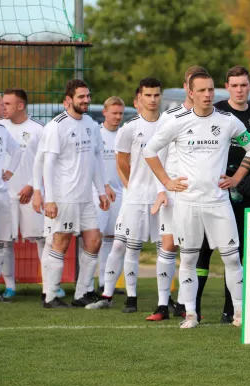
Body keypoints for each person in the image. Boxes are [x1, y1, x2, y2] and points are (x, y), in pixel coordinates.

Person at [143, 71, 250, 329]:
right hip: (187, 204)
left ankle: (239, 313)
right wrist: (167, 182)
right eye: (202, 90)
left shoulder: (228, 121)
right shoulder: (177, 122)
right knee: (188, 259)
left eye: (211, 90)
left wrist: (238, 176)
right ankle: (191, 314)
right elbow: (150, 150)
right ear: (191, 93)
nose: (208, 95)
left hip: (218, 203)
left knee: (232, 258)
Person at [195, 65, 250, 324]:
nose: (240, 89)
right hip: (212, 191)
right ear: (226, 88)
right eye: (235, 85)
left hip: (241, 194)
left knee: (236, 252)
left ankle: (231, 311)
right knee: (203, 250)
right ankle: (192, 309)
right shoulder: (215, 112)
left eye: (244, 84)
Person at [87, 78, 165, 312]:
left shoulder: (169, 125)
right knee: (124, 245)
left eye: (156, 95)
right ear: (139, 98)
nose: (152, 100)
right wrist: (134, 187)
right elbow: (122, 163)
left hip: (163, 196)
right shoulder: (130, 128)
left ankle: (165, 301)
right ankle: (116, 296)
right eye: (148, 95)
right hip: (135, 198)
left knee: (166, 248)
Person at [146, 65, 209, 322]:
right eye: (194, 86)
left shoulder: (211, 117)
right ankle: (162, 304)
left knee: (191, 248)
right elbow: (156, 154)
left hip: (200, 194)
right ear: (187, 87)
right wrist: (162, 188)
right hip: (174, 191)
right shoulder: (171, 117)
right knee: (169, 244)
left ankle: (185, 304)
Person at [40, 79, 110, 308]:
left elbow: (96, 160)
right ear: (69, 100)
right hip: (64, 197)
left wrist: (101, 191)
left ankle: (81, 294)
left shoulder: (90, 123)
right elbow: (47, 164)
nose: (86, 100)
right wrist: (49, 198)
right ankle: (50, 296)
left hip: (85, 197)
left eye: (88, 96)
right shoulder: (57, 125)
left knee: (94, 241)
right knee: (60, 243)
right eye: (81, 97)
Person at [0, 88, 45, 299]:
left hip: (30, 194)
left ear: (20, 106)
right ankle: (10, 287)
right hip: (5, 195)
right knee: (5, 241)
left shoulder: (38, 129)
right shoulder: (0, 128)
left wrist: (31, 185)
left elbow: (45, 161)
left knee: (41, 238)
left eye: (7, 104)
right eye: (2, 103)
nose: (3, 107)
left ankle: (49, 285)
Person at [94, 97, 126, 294]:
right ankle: (90, 284)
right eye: (114, 113)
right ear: (104, 112)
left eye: (121, 113)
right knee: (94, 239)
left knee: (116, 240)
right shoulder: (97, 134)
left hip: (122, 194)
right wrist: (101, 187)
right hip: (99, 193)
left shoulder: (124, 135)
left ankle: (108, 282)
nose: (117, 117)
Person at [0, 114, 22, 302]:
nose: (3, 108)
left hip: (1, 194)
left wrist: (10, 170)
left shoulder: (2, 131)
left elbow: (17, 151)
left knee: (0, 242)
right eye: (1, 104)